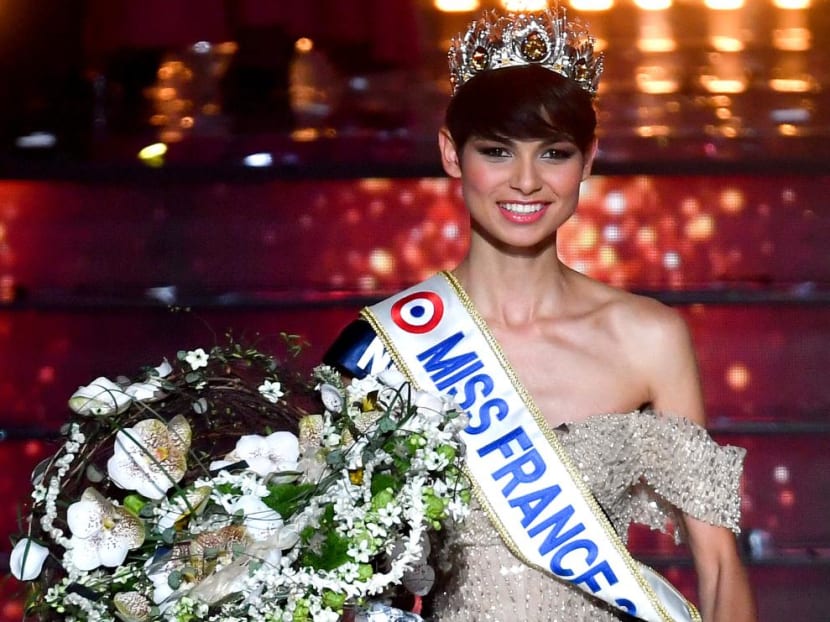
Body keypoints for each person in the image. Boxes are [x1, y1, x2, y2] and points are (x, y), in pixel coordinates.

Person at [325, 5, 756, 621]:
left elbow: (717, 566)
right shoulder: (388, 344)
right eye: (497, 151)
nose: (525, 182)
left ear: (588, 159)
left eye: (553, 153)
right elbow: (342, 581)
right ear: (452, 154)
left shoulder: (648, 339)